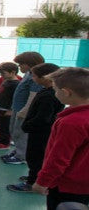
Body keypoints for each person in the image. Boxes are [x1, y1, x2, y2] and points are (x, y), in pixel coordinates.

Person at [32, 67, 89, 210]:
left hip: (67, 186)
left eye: (56, 90)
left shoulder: (71, 122)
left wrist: (42, 182)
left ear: (66, 93)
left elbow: (59, 158)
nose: (55, 92)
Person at [7, 63, 64, 192]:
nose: (33, 79)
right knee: (35, 157)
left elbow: (43, 118)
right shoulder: (48, 91)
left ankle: (32, 183)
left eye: (35, 76)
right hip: (40, 131)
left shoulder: (49, 96)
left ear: (45, 78)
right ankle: (34, 176)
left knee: (35, 157)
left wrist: (27, 125)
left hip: (40, 132)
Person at [2, 52, 45, 165]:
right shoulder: (28, 73)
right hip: (17, 108)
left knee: (21, 133)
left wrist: (25, 111)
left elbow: (33, 95)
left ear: (30, 64)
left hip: (23, 110)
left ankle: (22, 156)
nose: (19, 66)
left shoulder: (34, 77)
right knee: (14, 131)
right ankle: (18, 151)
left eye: (21, 64)